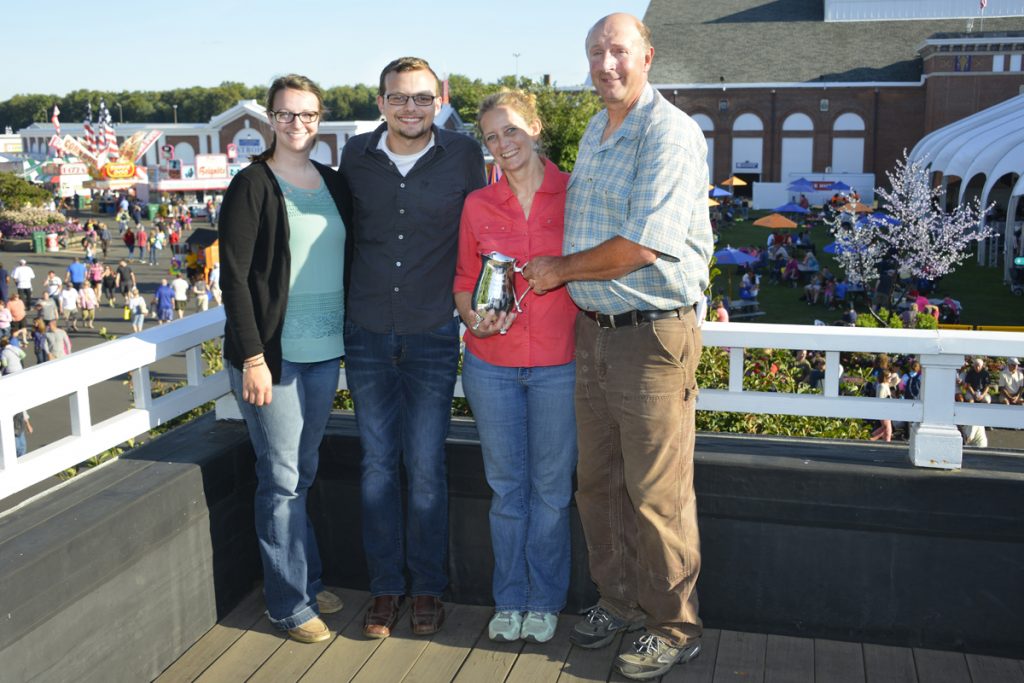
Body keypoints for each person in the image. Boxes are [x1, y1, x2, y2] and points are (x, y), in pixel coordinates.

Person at [521, 14, 712, 679]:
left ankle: (673, 625)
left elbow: (641, 245)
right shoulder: (600, 132)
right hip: (594, 334)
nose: (606, 63)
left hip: (652, 335)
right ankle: (619, 600)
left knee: (658, 493)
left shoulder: (670, 132)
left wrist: (557, 269)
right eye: (596, 52)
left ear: (648, 56)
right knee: (597, 482)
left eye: (619, 51)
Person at [339, 55, 485, 640]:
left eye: (421, 98)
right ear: (380, 103)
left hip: (431, 331)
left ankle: (426, 587)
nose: (410, 108)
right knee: (376, 467)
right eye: (399, 98)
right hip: (367, 330)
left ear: (439, 100)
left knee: (425, 467)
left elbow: (485, 232)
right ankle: (384, 590)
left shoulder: (465, 155)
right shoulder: (355, 158)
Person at [220, 73, 348, 645]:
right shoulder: (252, 184)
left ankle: (304, 576)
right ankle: (287, 604)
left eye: (308, 115)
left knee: (304, 472)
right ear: (270, 119)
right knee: (281, 478)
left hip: (324, 354)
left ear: (320, 120)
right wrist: (251, 357)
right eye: (287, 114)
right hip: (272, 357)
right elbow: (236, 278)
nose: (298, 124)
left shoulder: (334, 183)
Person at [453, 90, 577, 644]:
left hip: (560, 365)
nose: (503, 145)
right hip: (490, 365)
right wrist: (473, 320)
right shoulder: (479, 204)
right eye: (492, 137)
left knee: (551, 491)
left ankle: (544, 599)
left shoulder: (576, 191)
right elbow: (462, 282)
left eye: (511, 131)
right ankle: (510, 598)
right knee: (507, 491)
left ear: (535, 126)